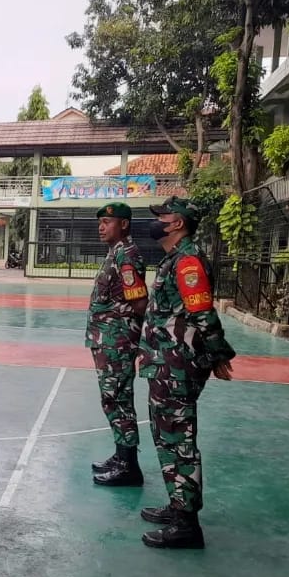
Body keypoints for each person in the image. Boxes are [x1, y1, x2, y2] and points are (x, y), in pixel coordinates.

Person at [137, 196, 236, 550]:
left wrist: (218, 354)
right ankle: (177, 504)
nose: (156, 221)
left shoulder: (188, 261)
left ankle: (186, 524)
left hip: (177, 365)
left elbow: (203, 314)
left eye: (162, 216)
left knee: (178, 439)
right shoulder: (175, 258)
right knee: (168, 438)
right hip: (166, 361)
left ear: (177, 223)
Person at [86, 203, 148, 487]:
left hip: (117, 341)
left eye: (107, 221)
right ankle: (121, 455)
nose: (101, 227)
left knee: (118, 400)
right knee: (112, 399)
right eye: (100, 222)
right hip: (108, 340)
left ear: (123, 224)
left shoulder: (126, 255)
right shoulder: (116, 252)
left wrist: (121, 331)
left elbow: (139, 303)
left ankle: (129, 467)